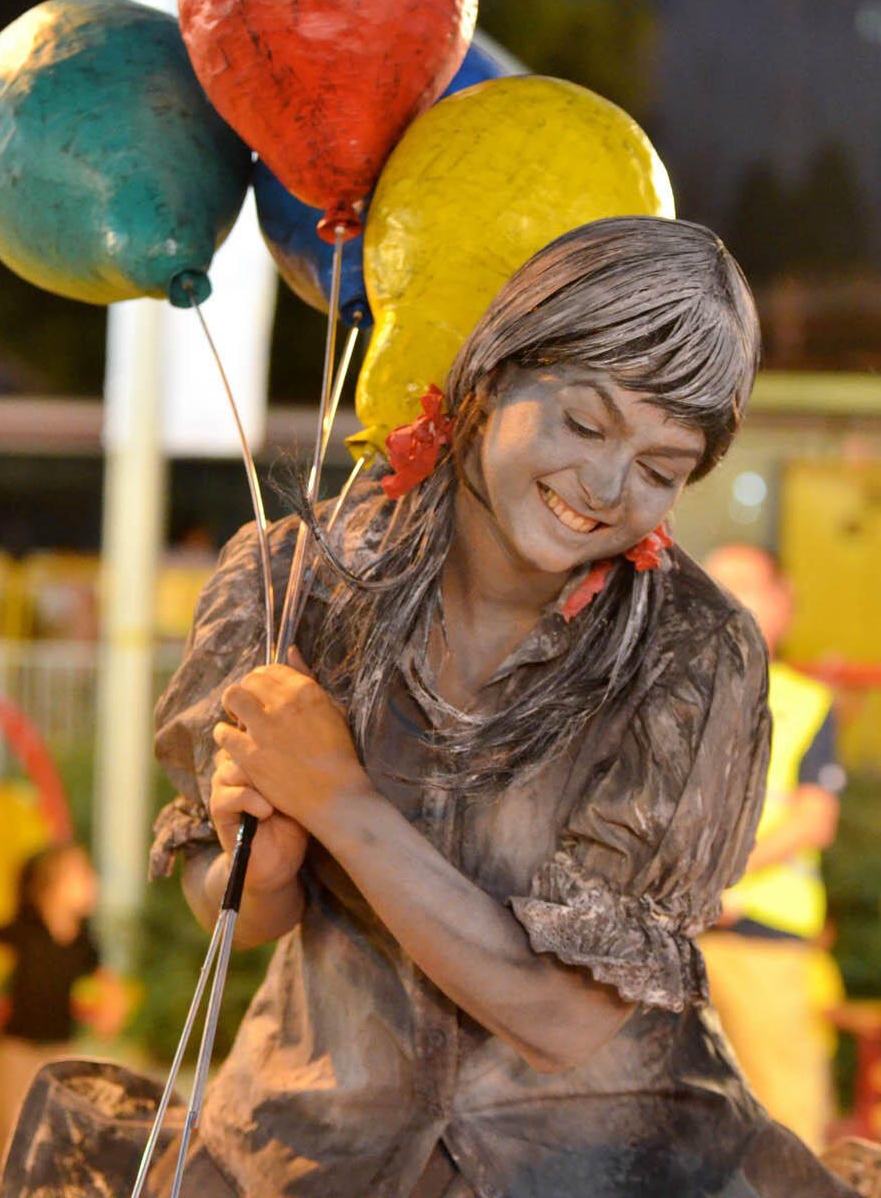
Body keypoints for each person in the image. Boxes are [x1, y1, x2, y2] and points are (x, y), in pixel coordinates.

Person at [147, 217, 859, 1196]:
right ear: (490, 378)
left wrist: (342, 806)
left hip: (615, 1165)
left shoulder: (693, 652)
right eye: (584, 422)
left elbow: (564, 1015)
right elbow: (228, 902)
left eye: (661, 469)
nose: (605, 487)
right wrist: (256, 866)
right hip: (314, 1146)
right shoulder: (295, 580)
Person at [700, 544, 846, 1152]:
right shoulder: (663, 699)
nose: (728, 599)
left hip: (764, 940)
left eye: (746, 585)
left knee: (786, 1120)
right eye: (714, 585)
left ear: (781, 605)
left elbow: (814, 820)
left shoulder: (806, 703)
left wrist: (720, 882)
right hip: (672, 944)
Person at [0, 843, 108, 1170]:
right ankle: (4, 1187)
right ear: (49, 887)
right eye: (82, 875)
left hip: (61, 1046)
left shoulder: (84, 940)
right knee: (13, 1127)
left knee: (59, 1127)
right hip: (17, 1048)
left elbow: (104, 982)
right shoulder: (22, 930)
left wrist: (107, 1010)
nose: (92, 882)